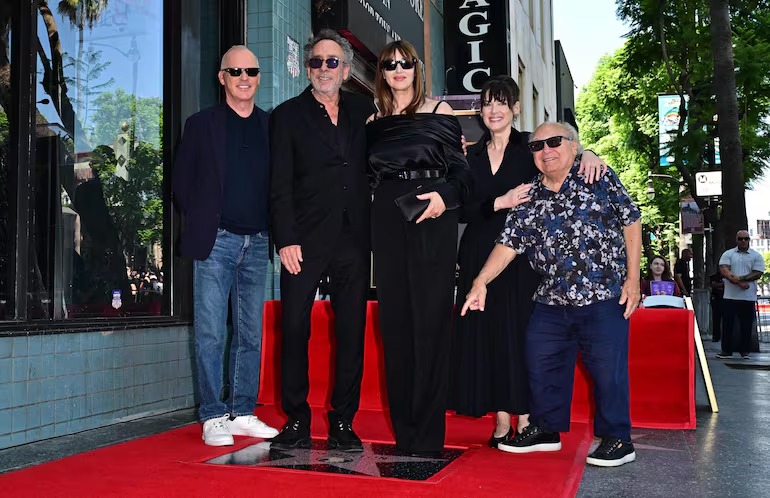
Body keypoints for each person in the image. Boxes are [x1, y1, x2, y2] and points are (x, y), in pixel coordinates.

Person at [461, 121, 642, 468]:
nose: (546, 151)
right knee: (540, 363)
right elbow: (508, 244)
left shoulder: (597, 176)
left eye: (554, 142)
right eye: (537, 146)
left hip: (602, 295)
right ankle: (545, 429)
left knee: (608, 372)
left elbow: (631, 220)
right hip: (550, 300)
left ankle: (618, 439)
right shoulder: (530, 194)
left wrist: (633, 280)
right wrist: (480, 280)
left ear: (573, 146)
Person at [449, 76, 607, 448]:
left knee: (520, 335)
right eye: (487, 103)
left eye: (501, 102)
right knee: (487, 337)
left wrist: (588, 154)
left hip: (523, 256)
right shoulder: (468, 155)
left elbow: (563, 155)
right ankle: (502, 420)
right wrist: (497, 203)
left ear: (515, 108)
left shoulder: (531, 147)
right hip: (478, 253)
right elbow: (460, 210)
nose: (493, 110)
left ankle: (526, 417)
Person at [269, 30, 376, 452]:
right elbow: (278, 184)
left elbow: (405, 132)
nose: (324, 69)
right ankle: (296, 418)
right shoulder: (287, 115)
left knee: (351, 332)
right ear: (308, 68)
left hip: (354, 238)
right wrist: (286, 238)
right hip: (304, 241)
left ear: (346, 70)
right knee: (295, 328)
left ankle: (343, 422)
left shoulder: (364, 110)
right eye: (317, 62)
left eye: (333, 62)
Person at [366, 39, 473, 456]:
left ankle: (428, 437)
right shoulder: (372, 121)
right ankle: (405, 433)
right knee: (395, 328)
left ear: (416, 68)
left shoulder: (439, 112)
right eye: (390, 63)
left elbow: (464, 174)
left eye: (405, 63)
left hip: (433, 216)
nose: (398, 69)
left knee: (429, 325)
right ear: (382, 72)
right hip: (388, 220)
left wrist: (443, 198)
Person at [172, 45, 278, 446]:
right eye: (235, 71)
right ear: (222, 78)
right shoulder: (201, 124)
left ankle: (243, 411)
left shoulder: (271, 126)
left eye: (251, 69)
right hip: (217, 242)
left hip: (259, 241)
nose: (244, 77)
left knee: (251, 334)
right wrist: (206, 220)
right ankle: (213, 414)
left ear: (258, 76)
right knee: (212, 332)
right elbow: (181, 184)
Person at [716, 230, 765, 360]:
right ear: (736, 240)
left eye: (746, 239)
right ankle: (726, 351)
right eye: (741, 238)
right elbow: (724, 270)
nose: (743, 241)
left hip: (748, 297)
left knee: (746, 325)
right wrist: (739, 282)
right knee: (727, 325)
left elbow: (758, 273)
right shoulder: (728, 254)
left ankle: (745, 351)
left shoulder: (756, 256)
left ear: (749, 240)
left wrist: (739, 279)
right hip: (729, 296)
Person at [709, 271, 725, 342]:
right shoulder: (714, 277)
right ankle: (716, 336)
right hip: (716, 299)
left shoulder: (728, 276)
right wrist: (723, 285)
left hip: (725, 299)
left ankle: (725, 336)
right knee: (716, 318)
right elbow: (713, 285)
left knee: (726, 319)